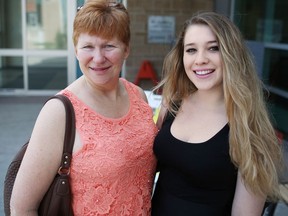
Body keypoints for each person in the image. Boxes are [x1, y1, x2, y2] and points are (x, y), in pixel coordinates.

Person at [10, 0, 158, 215]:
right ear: (76, 50)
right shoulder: (59, 111)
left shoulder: (138, 96)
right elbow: (22, 208)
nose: (98, 58)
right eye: (88, 46)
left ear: (126, 49)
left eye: (109, 46)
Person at [151, 11, 283, 216]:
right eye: (191, 50)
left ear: (231, 54)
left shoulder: (248, 126)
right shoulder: (173, 103)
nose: (200, 59)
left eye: (213, 48)